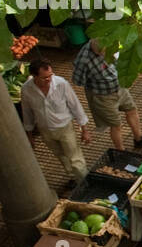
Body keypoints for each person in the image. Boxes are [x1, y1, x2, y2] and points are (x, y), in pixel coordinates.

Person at [71, 39, 142, 150]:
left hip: (119, 87)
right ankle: (121, 151)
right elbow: (77, 81)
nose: (106, 55)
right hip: (103, 96)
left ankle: (138, 139)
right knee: (116, 125)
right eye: (103, 53)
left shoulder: (112, 42)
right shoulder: (84, 59)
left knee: (132, 110)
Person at [20, 59, 91, 190]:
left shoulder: (61, 84)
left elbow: (75, 105)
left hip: (65, 127)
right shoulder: (26, 89)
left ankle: (85, 184)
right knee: (62, 157)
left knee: (75, 159)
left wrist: (84, 129)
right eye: (44, 77)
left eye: (50, 75)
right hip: (45, 130)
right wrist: (29, 135)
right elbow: (27, 113)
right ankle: (74, 179)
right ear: (35, 76)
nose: (49, 79)